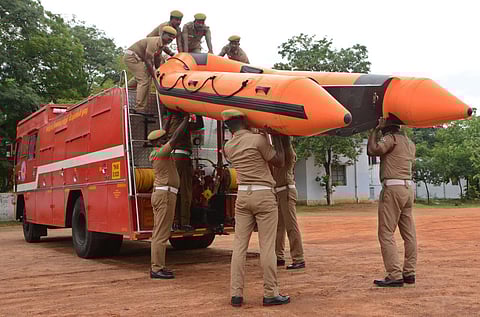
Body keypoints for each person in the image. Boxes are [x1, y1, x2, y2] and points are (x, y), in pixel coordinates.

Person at [222, 109, 290, 307]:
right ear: (244, 120)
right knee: (267, 246)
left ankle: (236, 294)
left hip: (242, 196)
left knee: (239, 247)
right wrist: (275, 136)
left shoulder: (229, 146)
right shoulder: (258, 140)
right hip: (263, 195)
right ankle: (270, 292)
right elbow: (279, 161)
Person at [367, 118, 417, 287]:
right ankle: (409, 272)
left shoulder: (391, 138)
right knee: (409, 234)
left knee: (386, 233)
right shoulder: (410, 143)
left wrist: (374, 131)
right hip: (408, 189)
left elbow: (373, 150)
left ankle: (394, 274)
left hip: (393, 189)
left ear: (387, 128)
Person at [148, 114, 189, 279]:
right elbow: (176, 136)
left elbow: (166, 133)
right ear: (159, 142)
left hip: (165, 194)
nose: (167, 139)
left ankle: (159, 266)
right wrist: (186, 119)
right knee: (160, 233)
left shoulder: (158, 151)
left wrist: (170, 117)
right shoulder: (161, 152)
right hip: (164, 195)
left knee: (161, 232)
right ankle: (156, 268)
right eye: (164, 139)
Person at [163, 110, 204, 231]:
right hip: (182, 158)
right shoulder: (183, 124)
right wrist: (197, 111)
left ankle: (175, 221)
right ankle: (185, 222)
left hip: (172, 158)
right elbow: (199, 125)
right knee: (186, 191)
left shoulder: (169, 124)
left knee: (174, 190)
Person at [124, 26, 177, 113]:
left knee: (144, 76)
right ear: (162, 34)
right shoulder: (154, 42)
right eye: (169, 36)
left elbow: (156, 61)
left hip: (139, 59)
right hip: (131, 57)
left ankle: (125, 88)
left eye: (173, 37)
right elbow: (148, 60)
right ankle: (139, 108)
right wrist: (154, 75)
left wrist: (158, 71)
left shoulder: (161, 46)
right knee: (144, 80)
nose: (171, 39)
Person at [273, 135, 305, 270]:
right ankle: (278, 257)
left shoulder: (287, 152)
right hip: (280, 191)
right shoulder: (283, 151)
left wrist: (273, 135)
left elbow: (280, 154)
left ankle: (298, 258)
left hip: (286, 191)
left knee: (291, 226)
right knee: (278, 228)